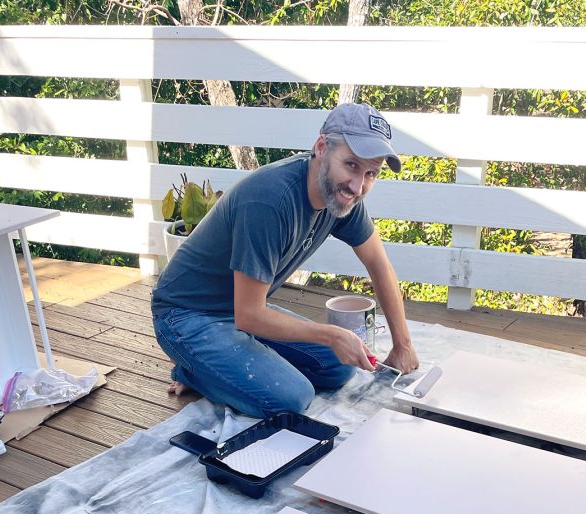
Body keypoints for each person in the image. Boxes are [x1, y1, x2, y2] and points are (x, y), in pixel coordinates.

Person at [151, 102, 419, 418]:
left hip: (236, 310)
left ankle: (222, 361)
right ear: (321, 148)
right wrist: (332, 334)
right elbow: (250, 315)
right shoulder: (270, 202)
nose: (358, 185)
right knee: (293, 396)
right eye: (351, 165)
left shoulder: (342, 196)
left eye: (371, 173)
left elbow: (379, 265)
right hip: (185, 315)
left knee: (340, 368)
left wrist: (402, 346)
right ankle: (195, 369)